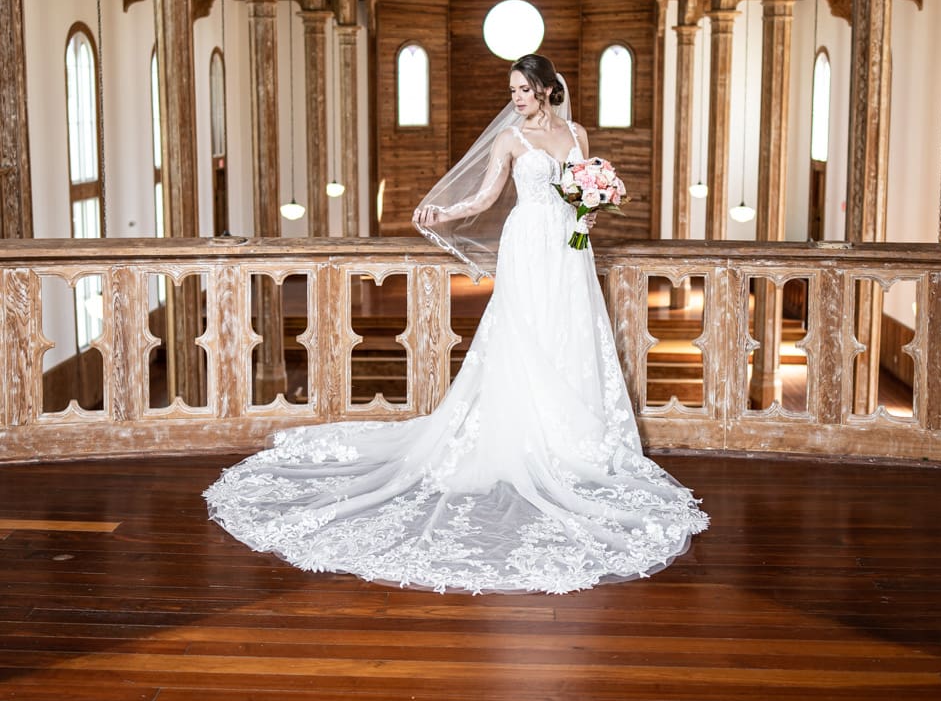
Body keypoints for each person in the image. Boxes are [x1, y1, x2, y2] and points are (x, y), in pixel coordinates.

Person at [205, 54, 708, 593]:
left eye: (521, 88)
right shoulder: (511, 140)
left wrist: (591, 203)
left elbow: (585, 190)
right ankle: (525, 438)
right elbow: (487, 196)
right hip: (527, 244)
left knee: (571, 332)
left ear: (544, 89)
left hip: (570, 249)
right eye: (511, 89)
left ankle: (573, 443)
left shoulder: (577, 133)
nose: (514, 97)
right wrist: (441, 213)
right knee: (523, 333)